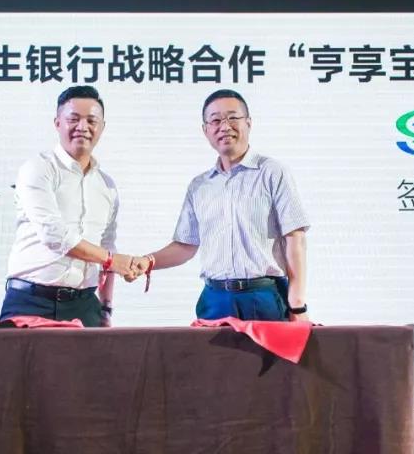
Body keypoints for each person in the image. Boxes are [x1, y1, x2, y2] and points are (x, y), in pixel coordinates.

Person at [133, 89, 311, 322]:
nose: (225, 127)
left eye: (233, 118)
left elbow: (295, 238)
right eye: (215, 120)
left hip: (264, 295)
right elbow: (185, 246)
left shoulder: (272, 172)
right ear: (205, 130)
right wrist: (148, 261)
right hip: (214, 299)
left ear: (248, 123)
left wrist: (297, 305)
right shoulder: (199, 186)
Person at [0, 86, 142, 327]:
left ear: (102, 127)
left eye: (91, 121)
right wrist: (112, 260)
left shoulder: (107, 186)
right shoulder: (38, 169)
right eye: (73, 119)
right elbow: (55, 235)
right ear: (57, 123)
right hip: (31, 302)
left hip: (85, 305)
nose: (83, 127)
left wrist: (106, 307)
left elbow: (107, 244)